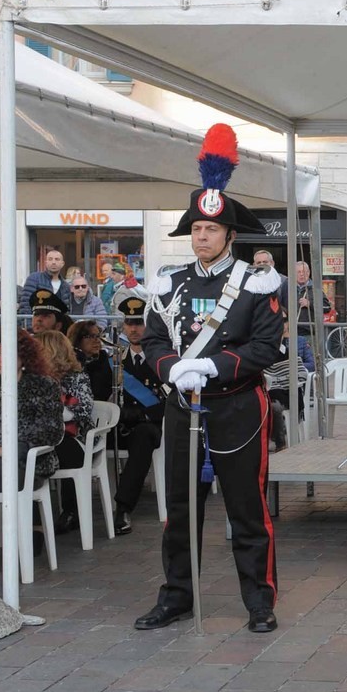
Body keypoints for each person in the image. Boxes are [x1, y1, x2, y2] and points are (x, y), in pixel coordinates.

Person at [137, 124, 284, 634]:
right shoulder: (170, 282)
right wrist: (173, 367)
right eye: (196, 229)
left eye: (211, 230)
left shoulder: (255, 282)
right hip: (184, 406)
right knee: (179, 508)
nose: (202, 236)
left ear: (229, 235)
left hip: (237, 405)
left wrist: (214, 365)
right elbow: (153, 340)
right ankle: (176, 595)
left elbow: (265, 347)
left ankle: (259, 603)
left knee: (247, 509)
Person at [0, 329, 64, 520]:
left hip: (30, 463)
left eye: (8, 352)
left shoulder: (43, 385)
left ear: (23, 355)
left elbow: (50, 431)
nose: (1, 359)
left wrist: (5, 449)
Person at [111, 297, 167, 536]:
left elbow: (171, 401)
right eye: (129, 323)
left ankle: (123, 507)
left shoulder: (162, 360)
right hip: (120, 426)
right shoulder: (116, 361)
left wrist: (142, 413)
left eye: (139, 323)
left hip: (152, 427)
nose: (133, 329)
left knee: (143, 436)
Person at [33, 330, 94, 537]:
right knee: (26, 457)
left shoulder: (77, 377)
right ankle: (34, 520)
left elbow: (84, 409)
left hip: (73, 436)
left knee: (63, 449)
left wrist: (52, 411)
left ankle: (70, 511)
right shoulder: (32, 378)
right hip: (42, 437)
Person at [263, 316, 316, 450]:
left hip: (290, 386)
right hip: (272, 387)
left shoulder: (300, 341)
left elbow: (311, 364)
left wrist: (292, 367)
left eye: (285, 320)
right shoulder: (264, 345)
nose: (282, 324)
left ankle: (279, 441)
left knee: (274, 405)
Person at [66, 320, 114, 402]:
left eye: (98, 336)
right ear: (77, 339)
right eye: (91, 336)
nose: (97, 340)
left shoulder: (106, 362)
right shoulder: (69, 364)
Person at [20, 249, 71, 315]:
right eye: (50, 259)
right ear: (46, 262)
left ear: (62, 263)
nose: (53, 262)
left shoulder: (65, 285)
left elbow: (66, 309)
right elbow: (26, 304)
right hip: (38, 321)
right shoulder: (34, 278)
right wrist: (29, 324)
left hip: (58, 323)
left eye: (57, 259)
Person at [294, 260, 330, 345]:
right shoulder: (288, 288)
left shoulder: (316, 289)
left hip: (309, 334)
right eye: (299, 272)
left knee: (309, 358)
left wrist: (310, 304)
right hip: (291, 333)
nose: (302, 274)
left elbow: (327, 308)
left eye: (304, 271)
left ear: (309, 272)